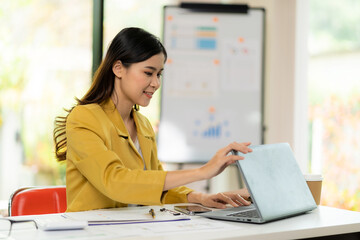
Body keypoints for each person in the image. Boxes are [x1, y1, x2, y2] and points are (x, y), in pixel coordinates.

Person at [54, 27, 252, 212]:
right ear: (118, 68)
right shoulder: (84, 118)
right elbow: (114, 181)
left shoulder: (143, 125)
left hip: (135, 229)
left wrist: (200, 197)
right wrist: (202, 172)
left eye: (159, 74)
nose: (156, 83)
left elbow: (157, 187)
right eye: (148, 73)